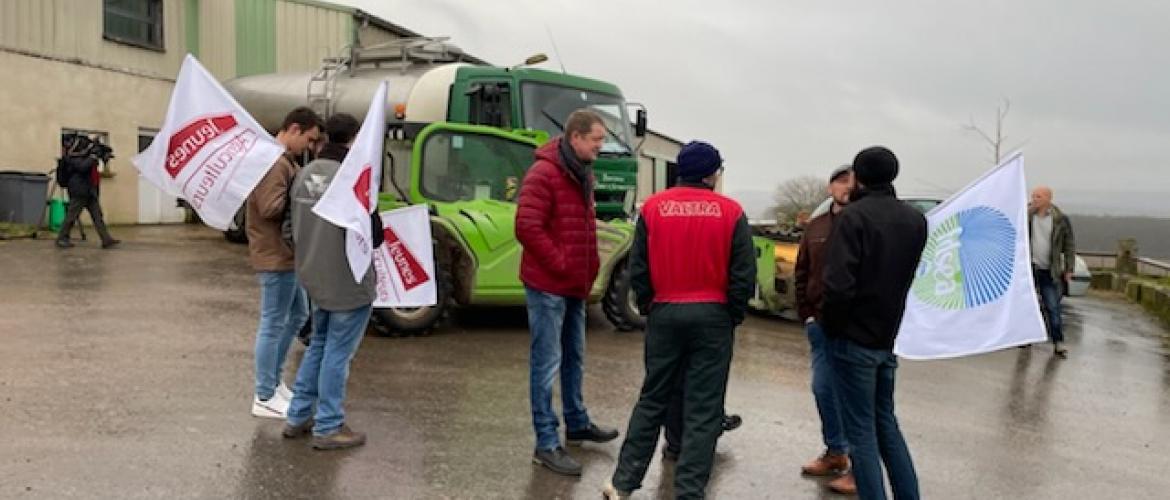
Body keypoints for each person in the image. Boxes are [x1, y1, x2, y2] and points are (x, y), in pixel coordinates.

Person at [605, 141, 756, 499]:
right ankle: (689, 492)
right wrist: (732, 314)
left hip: (665, 312)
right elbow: (743, 274)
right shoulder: (731, 212)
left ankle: (623, 483)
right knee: (704, 408)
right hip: (713, 314)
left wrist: (650, 307)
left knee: (653, 397)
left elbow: (638, 267)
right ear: (711, 174)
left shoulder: (654, 208)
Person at [516, 109, 619, 476]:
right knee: (546, 363)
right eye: (596, 140)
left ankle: (576, 423)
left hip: (575, 284)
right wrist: (561, 263)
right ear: (575, 137)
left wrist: (587, 268)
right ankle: (546, 443)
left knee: (574, 356)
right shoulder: (544, 173)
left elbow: (583, 226)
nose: (600, 146)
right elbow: (527, 226)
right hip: (548, 286)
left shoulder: (581, 173)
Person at [821, 146, 927, 499]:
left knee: (861, 433)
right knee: (886, 424)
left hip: (852, 338)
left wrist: (831, 328)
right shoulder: (915, 219)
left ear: (858, 176)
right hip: (886, 336)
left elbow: (837, 285)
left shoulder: (853, 218)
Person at [282, 113, 381, 450]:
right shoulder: (353, 179)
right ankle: (329, 425)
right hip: (348, 282)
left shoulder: (302, 175)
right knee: (338, 353)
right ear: (353, 141)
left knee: (319, 346)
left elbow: (287, 227)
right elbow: (375, 235)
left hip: (314, 277)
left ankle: (297, 416)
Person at [246, 107, 322, 419]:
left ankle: (273, 383)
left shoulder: (284, 162)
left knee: (297, 314)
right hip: (275, 255)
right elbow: (269, 208)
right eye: (309, 138)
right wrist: (301, 196)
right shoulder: (275, 165)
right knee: (273, 322)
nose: (310, 146)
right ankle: (264, 394)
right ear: (293, 129)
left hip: (286, 255)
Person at [794, 165, 855, 493]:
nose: (847, 186)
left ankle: (860, 466)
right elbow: (802, 269)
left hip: (854, 326)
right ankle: (835, 452)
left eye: (852, 182)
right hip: (819, 322)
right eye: (841, 181)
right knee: (823, 389)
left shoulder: (862, 223)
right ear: (831, 186)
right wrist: (806, 312)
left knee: (855, 396)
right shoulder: (816, 226)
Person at [1028, 186, 1075, 358]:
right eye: (1033, 196)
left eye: (1038, 196)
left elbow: (1069, 245)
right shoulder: (1026, 216)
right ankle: (1026, 337)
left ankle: (1058, 342)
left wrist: (1069, 268)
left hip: (1050, 270)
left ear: (1048, 198)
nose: (1034, 199)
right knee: (1028, 305)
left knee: (1052, 307)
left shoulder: (1060, 219)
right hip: (1031, 268)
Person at [55, 135, 119, 249]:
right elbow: (82, 167)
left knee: (97, 216)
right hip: (79, 190)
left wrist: (103, 155)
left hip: (89, 190)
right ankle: (62, 238)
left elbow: (91, 165)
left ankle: (106, 239)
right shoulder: (71, 157)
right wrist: (93, 156)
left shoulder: (85, 155)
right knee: (72, 215)